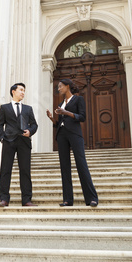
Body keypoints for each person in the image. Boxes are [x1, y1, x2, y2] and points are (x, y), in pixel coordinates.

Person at [46, 78, 98, 207]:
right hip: (62, 135)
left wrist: (66, 112)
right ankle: (67, 200)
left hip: (75, 135)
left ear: (67, 86)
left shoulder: (78, 99)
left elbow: (82, 117)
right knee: (65, 167)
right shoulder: (61, 103)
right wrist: (52, 118)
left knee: (81, 164)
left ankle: (92, 198)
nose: (59, 89)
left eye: (60, 86)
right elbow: (59, 123)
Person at [0, 83, 38, 207]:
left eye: (24, 90)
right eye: (21, 90)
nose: (23, 92)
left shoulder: (28, 109)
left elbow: (34, 124)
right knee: (5, 170)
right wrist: (2, 137)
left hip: (24, 142)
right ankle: (4, 199)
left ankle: (26, 200)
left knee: (25, 170)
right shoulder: (4, 108)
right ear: (13, 91)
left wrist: (30, 131)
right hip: (8, 141)